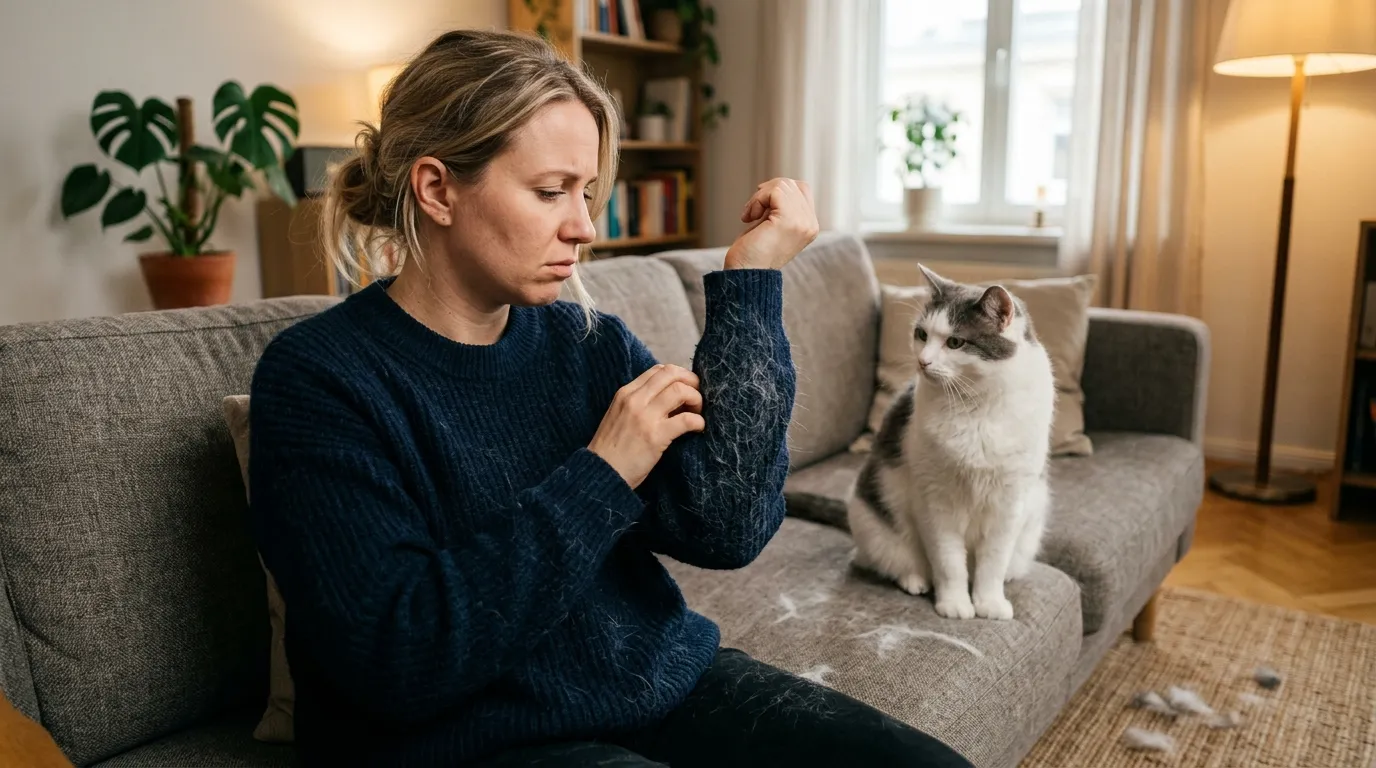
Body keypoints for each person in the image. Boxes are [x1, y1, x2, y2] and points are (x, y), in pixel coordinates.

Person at [248, 28, 973, 768]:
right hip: (459, 741)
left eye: (587, 192)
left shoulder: (584, 340)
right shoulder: (318, 379)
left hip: (654, 685)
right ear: (438, 189)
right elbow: (400, 658)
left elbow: (729, 529)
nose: (586, 227)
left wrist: (751, 286)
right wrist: (602, 472)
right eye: (550, 190)